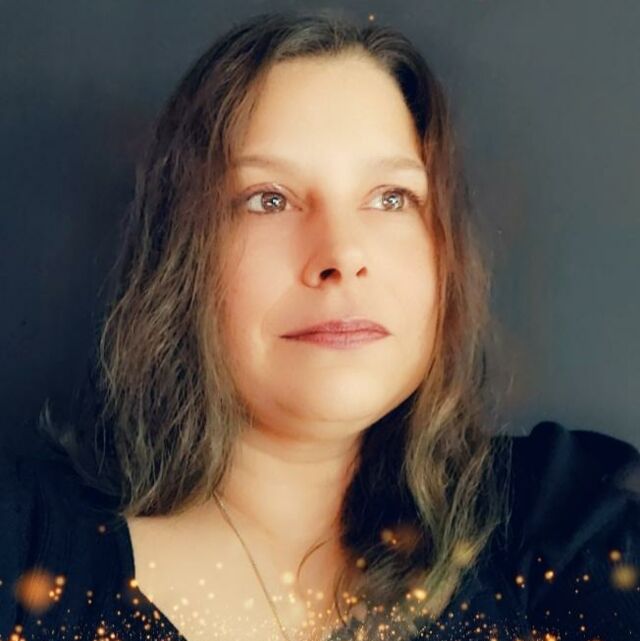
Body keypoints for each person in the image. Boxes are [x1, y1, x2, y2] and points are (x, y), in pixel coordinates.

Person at [1, 9, 638, 641]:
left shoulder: (565, 525)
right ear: (180, 256)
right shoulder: (22, 550)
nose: (341, 254)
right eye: (269, 199)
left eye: (391, 197)